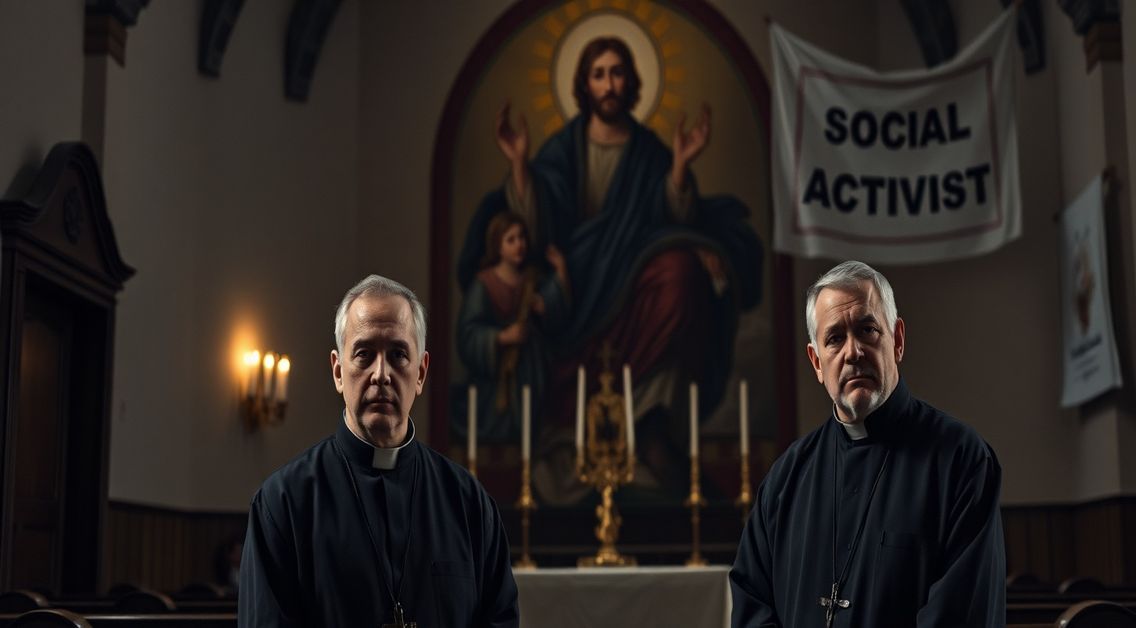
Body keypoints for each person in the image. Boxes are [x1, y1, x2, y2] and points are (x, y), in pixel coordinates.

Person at [458, 36, 762, 499]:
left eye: (617, 73)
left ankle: (648, 415)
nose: (609, 84)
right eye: (599, 74)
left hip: (632, 281)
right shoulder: (563, 149)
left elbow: (672, 221)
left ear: (631, 81)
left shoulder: (649, 152)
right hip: (576, 290)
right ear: (584, 84)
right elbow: (537, 227)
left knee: (680, 273)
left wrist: (679, 167)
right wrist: (519, 165)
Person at [729, 261, 1005, 627]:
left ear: (898, 340)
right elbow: (752, 607)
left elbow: (961, 615)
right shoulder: (786, 479)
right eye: (834, 338)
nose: (853, 352)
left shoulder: (961, 460)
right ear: (816, 362)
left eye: (867, 330)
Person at [239, 275, 519, 627]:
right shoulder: (283, 503)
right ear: (338, 371)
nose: (381, 374)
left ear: (421, 372)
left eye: (398, 354)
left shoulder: (468, 503)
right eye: (364, 354)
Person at [456, 211, 569, 441]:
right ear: (498, 246)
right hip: (499, 376)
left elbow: (555, 306)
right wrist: (502, 337)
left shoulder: (531, 278)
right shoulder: (484, 284)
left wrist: (560, 275)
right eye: (511, 239)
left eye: (522, 237)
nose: (520, 244)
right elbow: (467, 333)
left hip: (532, 371)